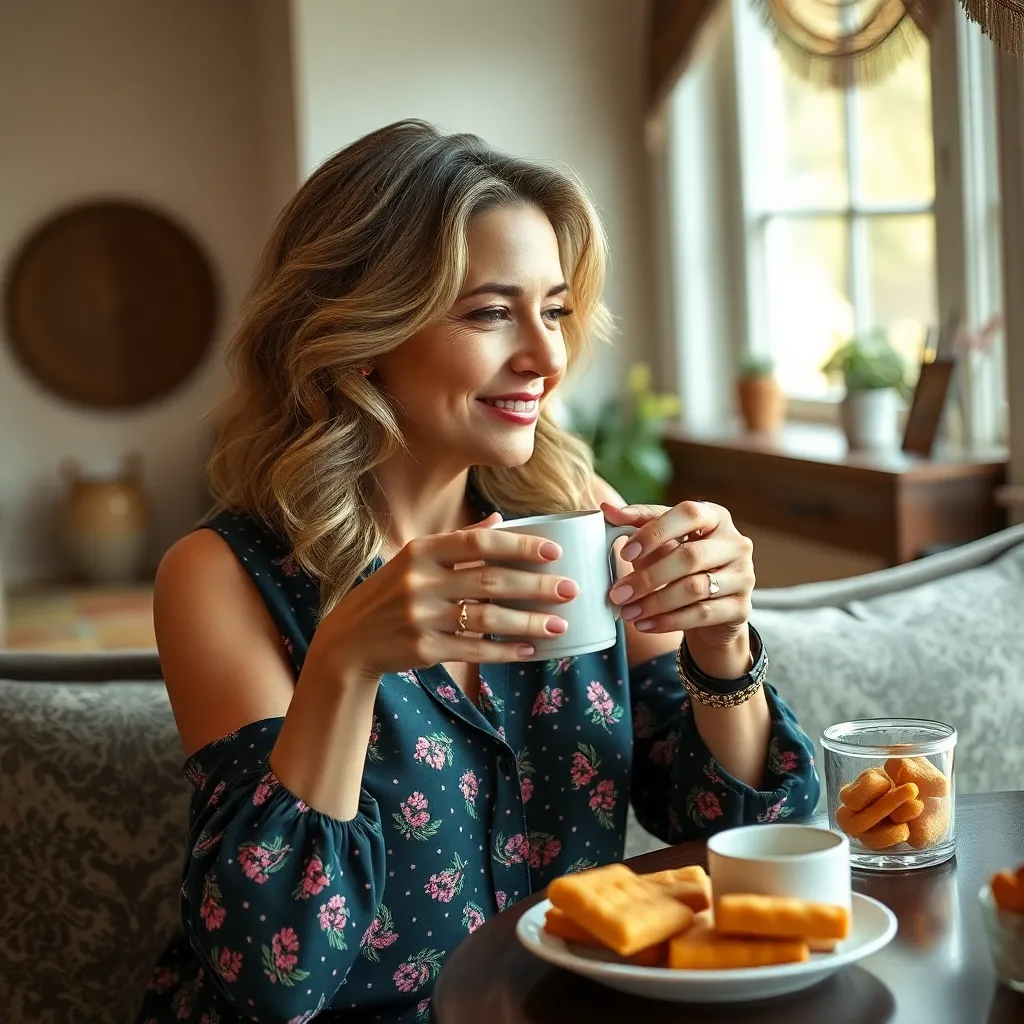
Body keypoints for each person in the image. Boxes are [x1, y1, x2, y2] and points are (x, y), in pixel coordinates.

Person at [133, 119, 819, 1024]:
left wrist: (723, 645)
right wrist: (344, 662)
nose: (546, 357)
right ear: (362, 328)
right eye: (492, 312)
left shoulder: (578, 515)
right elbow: (272, 974)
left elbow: (746, 839)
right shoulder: (223, 575)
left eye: (557, 310)